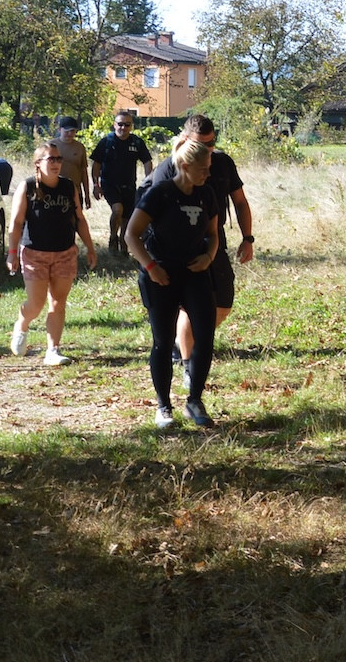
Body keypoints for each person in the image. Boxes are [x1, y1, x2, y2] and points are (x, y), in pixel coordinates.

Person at [143, 115, 254, 365]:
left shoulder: (223, 163)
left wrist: (248, 238)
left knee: (223, 304)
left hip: (213, 240)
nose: (207, 150)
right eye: (200, 144)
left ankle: (187, 340)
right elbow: (148, 217)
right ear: (184, 140)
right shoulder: (168, 169)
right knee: (189, 308)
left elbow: (240, 202)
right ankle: (187, 363)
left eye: (211, 143)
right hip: (179, 246)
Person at [128, 138, 222, 430]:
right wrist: (151, 267)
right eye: (202, 169)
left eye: (208, 169)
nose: (207, 174)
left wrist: (208, 256)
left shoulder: (206, 194)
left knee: (205, 336)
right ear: (184, 165)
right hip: (162, 275)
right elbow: (132, 235)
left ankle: (194, 400)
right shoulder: (160, 193)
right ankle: (163, 406)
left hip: (195, 272)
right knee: (163, 341)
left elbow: (213, 234)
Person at [6, 142, 96, 366]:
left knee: (58, 303)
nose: (56, 163)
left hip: (65, 252)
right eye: (51, 159)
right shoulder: (27, 187)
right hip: (34, 253)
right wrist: (12, 253)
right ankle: (22, 324)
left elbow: (79, 219)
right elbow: (16, 223)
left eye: (58, 159)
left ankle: (52, 350)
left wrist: (90, 248)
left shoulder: (68, 187)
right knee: (35, 305)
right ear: (38, 163)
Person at [90, 110, 154, 256]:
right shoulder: (106, 142)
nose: (123, 128)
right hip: (109, 185)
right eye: (120, 124)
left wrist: (148, 182)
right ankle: (113, 237)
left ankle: (123, 245)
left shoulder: (136, 142)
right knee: (117, 210)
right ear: (114, 125)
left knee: (126, 218)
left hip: (129, 186)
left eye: (127, 125)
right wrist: (96, 185)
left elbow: (147, 162)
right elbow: (96, 164)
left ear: (131, 126)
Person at [50, 117, 93, 212]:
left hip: (75, 191)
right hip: (54, 190)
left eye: (72, 131)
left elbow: (83, 172)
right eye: (67, 131)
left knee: (75, 222)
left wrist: (87, 195)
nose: (69, 134)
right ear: (60, 130)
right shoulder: (51, 146)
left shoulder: (80, 147)